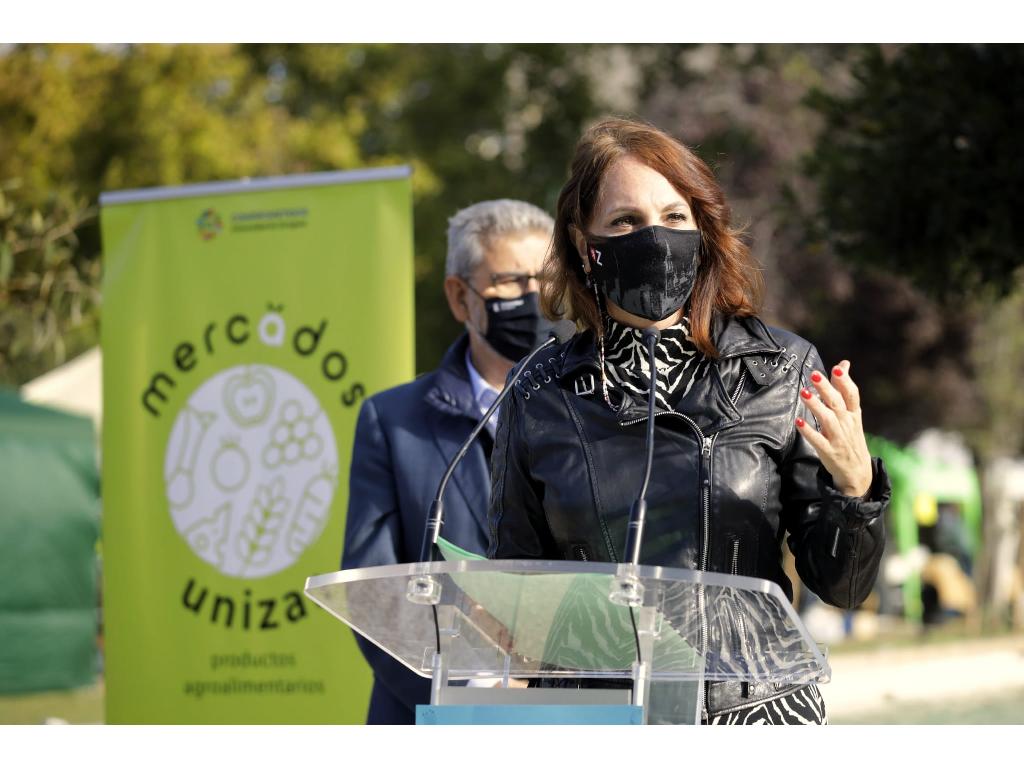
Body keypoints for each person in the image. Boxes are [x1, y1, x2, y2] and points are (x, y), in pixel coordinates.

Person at [486, 118, 892, 725]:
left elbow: (844, 589)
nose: (654, 239)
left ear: (702, 229)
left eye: (675, 217)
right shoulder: (542, 390)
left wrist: (856, 488)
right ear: (582, 241)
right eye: (625, 221)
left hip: (757, 715)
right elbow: (516, 585)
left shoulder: (780, 372)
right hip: (601, 720)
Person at [342, 199, 553, 724]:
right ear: (461, 298)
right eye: (511, 281)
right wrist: (466, 697)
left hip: (576, 712)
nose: (534, 298)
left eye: (545, 280)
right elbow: (374, 593)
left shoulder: (606, 412)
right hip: (434, 717)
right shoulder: (392, 423)